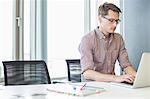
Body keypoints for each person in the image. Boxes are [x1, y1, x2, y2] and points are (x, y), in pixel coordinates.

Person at [79, 2, 136, 83]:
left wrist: (137, 77)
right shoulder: (87, 40)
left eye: (117, 21)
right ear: (100, 19)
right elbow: (87, 73)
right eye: (111, 20)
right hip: (92, 86)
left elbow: (126, 65)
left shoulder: (118, 39)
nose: (115, 24)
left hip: (112, 85)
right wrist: (115, 78)